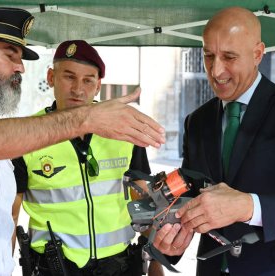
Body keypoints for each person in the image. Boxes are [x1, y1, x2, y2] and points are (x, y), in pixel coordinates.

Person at [0, 8, 165, 276]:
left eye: (21, 58)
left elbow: (4, 222)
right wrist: (85, 118)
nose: (20, 67)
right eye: (10, 55)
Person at [152, 6, 275, 276]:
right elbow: (189, 197)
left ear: (258, 54)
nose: (216, 70)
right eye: (208, 55)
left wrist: (248, 206)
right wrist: (168, 245)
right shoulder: (196, 121)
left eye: (229, 57)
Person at [12, 40, 164, 276]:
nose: (78, 89)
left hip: (119, 267)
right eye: (69, 77)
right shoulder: (27, 135)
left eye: (87, 80)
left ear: (98, 85)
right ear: (51, 77)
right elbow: (10, 216)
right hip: (54, 268)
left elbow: (143, 205)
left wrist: (156, 265)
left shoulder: (125, 131)